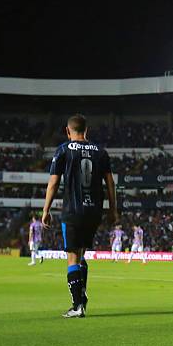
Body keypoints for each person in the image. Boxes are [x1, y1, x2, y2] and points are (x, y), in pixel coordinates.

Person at [42, 114, 118, 318]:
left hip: (73, 211)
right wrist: (113, 210)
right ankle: (82, 298)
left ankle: (77, 306)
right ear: (87, 130)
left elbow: (54, 182)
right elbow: (110, 183)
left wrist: (46, 210)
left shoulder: (64, 149)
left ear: (68, 131)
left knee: (72, 258)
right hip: (94, 212)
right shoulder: (100, 152)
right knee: (81, 254)